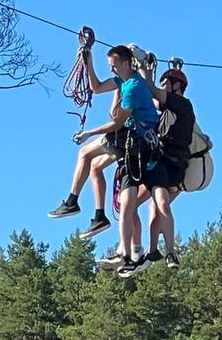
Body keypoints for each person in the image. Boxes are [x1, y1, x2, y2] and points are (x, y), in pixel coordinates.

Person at [48, 40, 158, 238]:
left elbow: (116, 124)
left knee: (84, 153)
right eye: (110, 66)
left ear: (126, 64)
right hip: (131, 136)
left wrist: (88, 134)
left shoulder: (132, 87)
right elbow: (97, 87)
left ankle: (72, 201)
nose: (112, 69)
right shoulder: (122, 81)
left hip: (135, 139)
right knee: (95, 167)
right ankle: (99, 216)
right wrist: (88, 57)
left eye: (114, 66)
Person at [118, 66, 194, 277]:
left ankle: (168, 252)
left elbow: (150, 89)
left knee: (160, 207)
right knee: (132, 206)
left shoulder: (183, 105)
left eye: (166, 84)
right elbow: (146, 97)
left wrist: (144, 70)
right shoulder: (163, 114)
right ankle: (142, 252)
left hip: (174, 169)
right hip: (159, 165)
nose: (163, 88)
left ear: (176, 86)